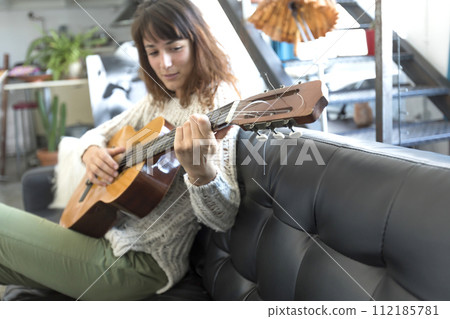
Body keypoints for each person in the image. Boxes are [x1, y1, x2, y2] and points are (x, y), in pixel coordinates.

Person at [0, 0, 241, 300]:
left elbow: (224, 218)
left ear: (197, 42)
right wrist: (90, 151)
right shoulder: (160, 100)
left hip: (140, 264)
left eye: (175, 47)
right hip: (108, 235)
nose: (164, 63)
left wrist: (200, 171)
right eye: (153, 52)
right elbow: (98, 132)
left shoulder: (218, 104)